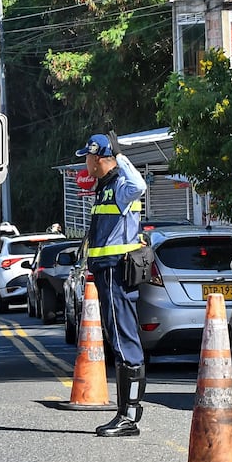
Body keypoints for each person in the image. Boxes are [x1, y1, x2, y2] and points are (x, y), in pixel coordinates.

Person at [78, 133, 149, 437]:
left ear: (98, 158)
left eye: (88, 156)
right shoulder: (105, 187)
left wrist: (119, 156)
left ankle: (128, 416)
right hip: (106, 272)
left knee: (124, 341)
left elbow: (139, 185)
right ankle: (125, 413)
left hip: (116, 272)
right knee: (119, 340)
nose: (85, 162)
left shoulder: (120, 183)